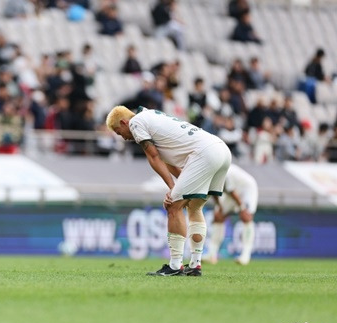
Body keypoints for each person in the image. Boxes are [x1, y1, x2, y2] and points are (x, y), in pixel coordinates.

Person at [107, 106, 232, 276]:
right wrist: (178, 188)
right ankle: (195, 265)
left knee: (173, 206)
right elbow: (167, 161)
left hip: (205, 153)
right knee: (194, 207)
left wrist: (173, 190)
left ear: (124, 122)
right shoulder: (150, 118)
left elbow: (153, 157)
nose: (123, 137)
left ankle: (175, 266)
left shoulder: (136, 123)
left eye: (119, 131)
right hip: (221, 149)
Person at [206, 164, 258, 265]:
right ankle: (212, 255)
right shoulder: (208, 172)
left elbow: (232, 192)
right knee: (217, 216)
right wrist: (219, 207)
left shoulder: (224, 172)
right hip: (232, 192)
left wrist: (242, 208)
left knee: (246, 217)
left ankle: (245, 256)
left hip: (247, 188)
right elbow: (213, 192)